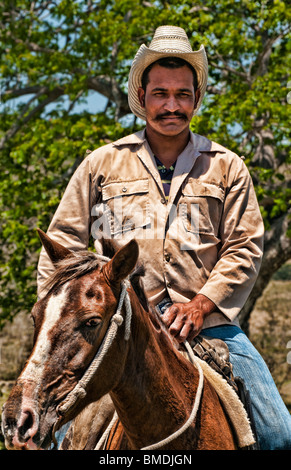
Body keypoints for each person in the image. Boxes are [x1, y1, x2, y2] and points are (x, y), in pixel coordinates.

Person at [37, 26, 291, 450]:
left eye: (183, 94)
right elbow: (62, 244)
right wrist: (57, 319)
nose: (171, 106)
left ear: (196, 97)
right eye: (161, 94)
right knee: (59, 433)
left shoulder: (227, 167)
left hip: (212, 328)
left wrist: (201, 304)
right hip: (120, 333)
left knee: (279, 434)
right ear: (142, 95)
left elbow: (245, 246)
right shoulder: (102, 164)